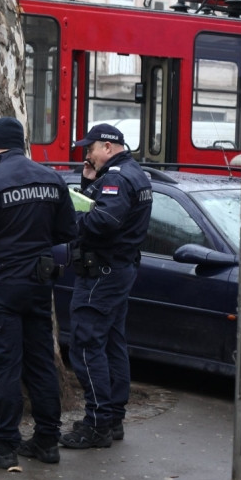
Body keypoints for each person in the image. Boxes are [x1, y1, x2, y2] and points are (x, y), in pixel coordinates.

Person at [0, 117, 78, 469]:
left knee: (5, 364)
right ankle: (47, 440)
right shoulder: (52, 179)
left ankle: (3, 444)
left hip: (1, 286)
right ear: (21, 143)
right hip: (39, 284)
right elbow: (67, 230)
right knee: (40, 362)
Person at [61, 123, 151, 449]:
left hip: (102, 273)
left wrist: (70, 219)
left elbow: (104, 221)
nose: (88, 155)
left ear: (108, 148)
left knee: (86, 345)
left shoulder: (117, 178)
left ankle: (96, 423)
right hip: (120, 269)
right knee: (113, 343)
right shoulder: (134, 173)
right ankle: (112, 418)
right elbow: (110, 211)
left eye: (91, 149)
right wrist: (89, 183)